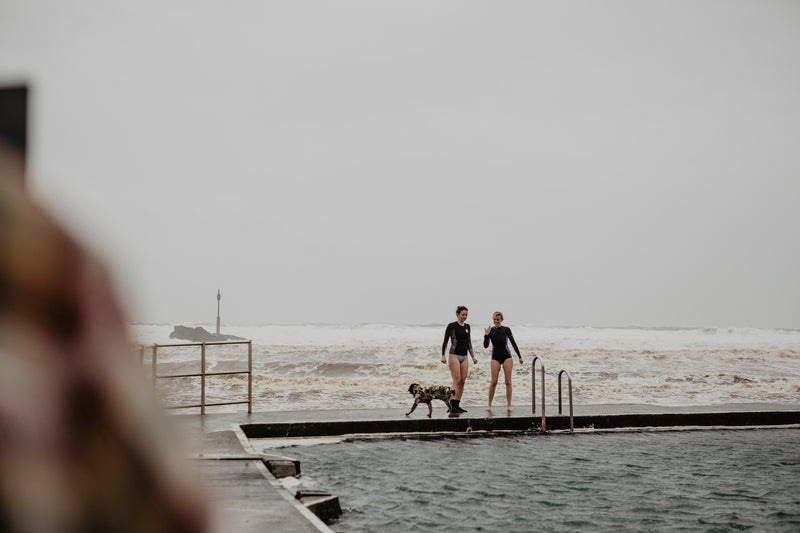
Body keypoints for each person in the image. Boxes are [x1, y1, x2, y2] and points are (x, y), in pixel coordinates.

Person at [483, 311, 523, 411]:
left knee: (508, 381)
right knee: (493, 382)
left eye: (498, 319)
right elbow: (485, 345)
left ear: (501, 320)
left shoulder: (506, 330)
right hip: (495, 357)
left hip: (507, 356)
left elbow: (513, 343)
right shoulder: (491, 330)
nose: (496, 321)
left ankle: (509, 405)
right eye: (494, 319)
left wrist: (519, 356)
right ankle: (489, 404)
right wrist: (486, 335)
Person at [441, 306, 477, 413]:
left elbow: (469, 343)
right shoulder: (452, 326)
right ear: (457, 314)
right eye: (463, 314)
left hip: (464, 356)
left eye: (466, 315)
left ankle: (457, 404)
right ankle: (452, 404)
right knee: (456, 380)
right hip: (454, 355)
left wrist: (473, 356)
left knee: (462, 381)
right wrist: (443, 355)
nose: (465, 317)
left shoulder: (467, 326)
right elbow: (445, 341)